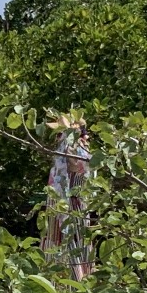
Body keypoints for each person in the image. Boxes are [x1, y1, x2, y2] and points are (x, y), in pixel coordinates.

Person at [42, 116, 92, 282]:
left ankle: (73, 281)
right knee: (72, 240)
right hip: (75, 202)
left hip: (69, 203)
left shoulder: (72, 148)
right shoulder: (82, 149)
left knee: (70, 240)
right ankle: (75, 280)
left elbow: (74, 167)